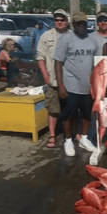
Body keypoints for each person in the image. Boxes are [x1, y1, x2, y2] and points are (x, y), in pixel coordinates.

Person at [54, 11, 99, 157]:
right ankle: (68, 140)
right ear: (73, 24)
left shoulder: (92, 40)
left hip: (88, 86)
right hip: (70, 86)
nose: (81, 26)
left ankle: (84, 139)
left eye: (83, 23)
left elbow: (97, 64)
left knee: (87, 115)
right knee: (68, 115)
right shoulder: (65, 39)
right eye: (78, 23)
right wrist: (60, 85)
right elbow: (58, 62)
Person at [36, 9, 70, 148]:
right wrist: (45, 75)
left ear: (67, 21)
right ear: (54, 21)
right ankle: (52, 134)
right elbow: (40, 57)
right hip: (53, 80)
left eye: (62, 19)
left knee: (71, 109)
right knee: (53, 110)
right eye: (57, 20)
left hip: (70, 81)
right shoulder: (46, 36)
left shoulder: (72, 36)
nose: (59, 22)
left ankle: (72, 134)